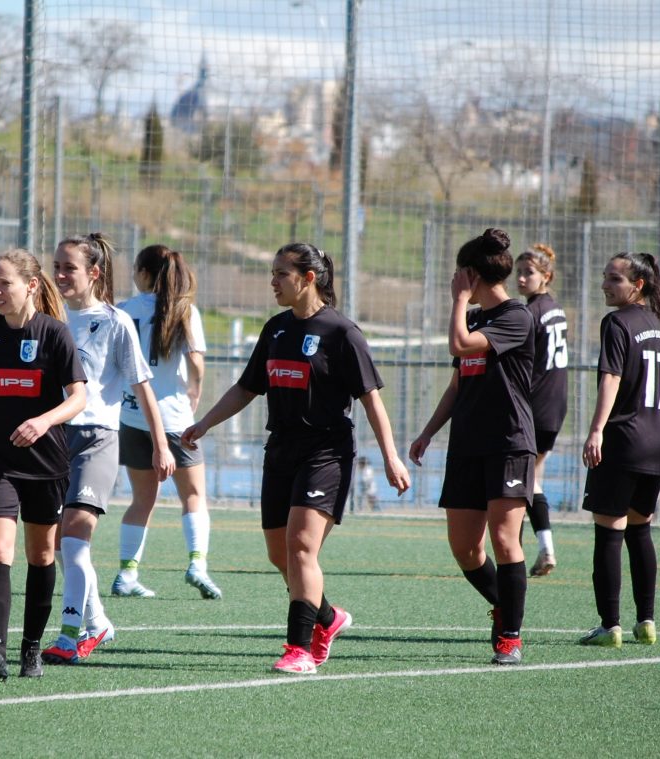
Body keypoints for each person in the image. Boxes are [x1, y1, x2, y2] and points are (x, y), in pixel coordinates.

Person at [183, 242, 410, 675]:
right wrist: (205, 423)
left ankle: (299, 649)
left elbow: (371, 400)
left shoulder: (342, 333)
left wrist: (391, 457)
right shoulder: (276, 329)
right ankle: (329, 617)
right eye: (272, 273)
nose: (272, 281)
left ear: (308, 278)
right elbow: (247, 387)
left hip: (326, 453)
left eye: (280, 274)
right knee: (280, 556)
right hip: (281, 450)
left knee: (301, 546)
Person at [40, 234, 175, 665]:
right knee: (57, 545)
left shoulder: (116, 322)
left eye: (69, 267)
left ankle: (67, 637)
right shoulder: (48, 317)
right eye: (56, 266)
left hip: (96, 439)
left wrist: (161, 445)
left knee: (75, 537)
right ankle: (97, 621)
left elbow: (142, 386)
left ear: (94, 273)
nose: (60, 275)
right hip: (52, 439)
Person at [409, 228, 535, 666]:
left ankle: (510, 637)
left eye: (458, 274)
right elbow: (459, 381)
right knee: (464, 548)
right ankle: (504, 602)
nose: (453, 281)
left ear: (472, 275)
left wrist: (459, 300)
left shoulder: (517, 316)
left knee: (503, 538)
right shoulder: (475, 318)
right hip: (467, 445)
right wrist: (428, 431)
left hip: (508, 443)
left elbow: (459, 344)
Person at [0, 248, 87, 682]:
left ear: (31, 285)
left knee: (41, 555)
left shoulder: (55, 333)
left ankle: (31, 648)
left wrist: (43, 421)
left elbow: (79, 397)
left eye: (5, 283)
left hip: (45, 463)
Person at [578, 252, 660, 648]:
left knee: (609, 533)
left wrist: (596, 430)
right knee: (640, 530)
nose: (605, 284)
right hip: (657, 443)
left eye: (614, 279)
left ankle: (610, 626)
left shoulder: (617, 322)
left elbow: (612, 379)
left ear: (638, 285)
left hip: (624, 441)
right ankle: (647, 622)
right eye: (605, 276)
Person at [113, 244, 222, 600]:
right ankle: (197, 564)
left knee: (142, 498)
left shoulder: (124, 310)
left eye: (135, 269)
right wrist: (195, 392)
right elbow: (196, 363)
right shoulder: (184, 309)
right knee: (193, 495)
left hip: (132, 416)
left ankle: (127, 574)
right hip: (174, 418)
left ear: (145, 273)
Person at [514, 243, 568, 575]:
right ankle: (523, 551)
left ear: (546, 276)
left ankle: (543, 549)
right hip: (556, 404)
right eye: (518, 272)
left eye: (529, 273)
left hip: (535, 405)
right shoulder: (555, 309)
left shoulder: (530, 313)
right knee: (532, 477)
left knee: (524, 480)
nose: (521, 278)